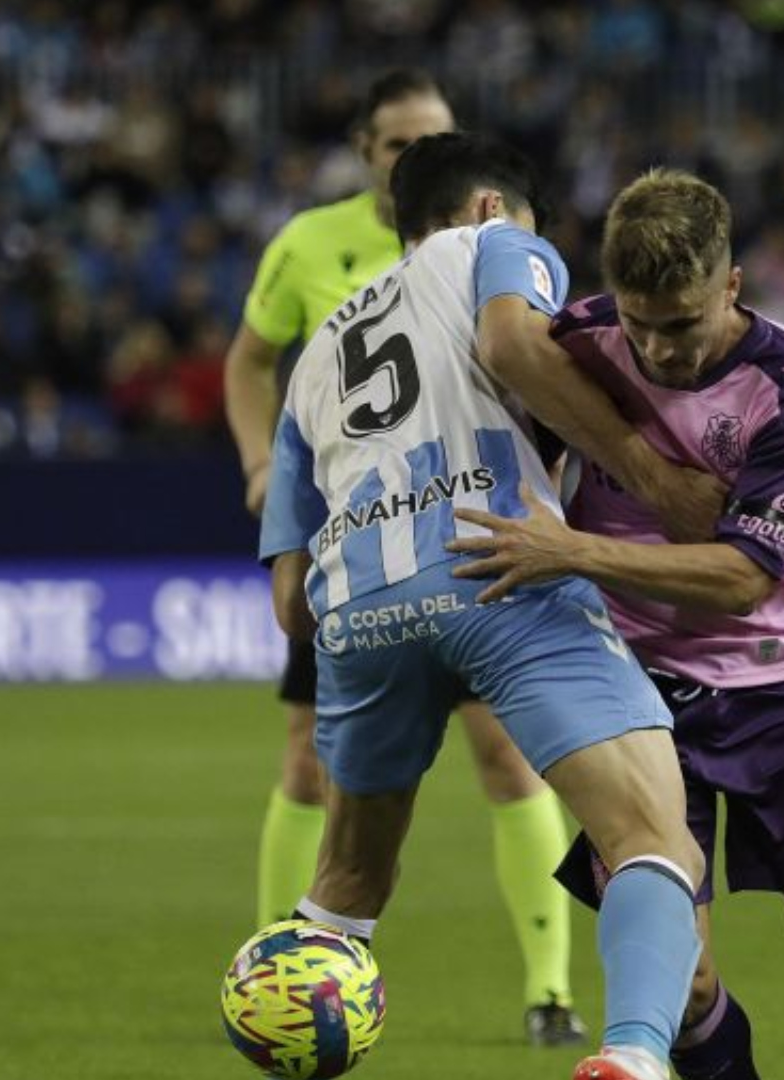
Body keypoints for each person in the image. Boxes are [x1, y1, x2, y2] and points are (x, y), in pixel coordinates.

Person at [259, 131, 718, 1080]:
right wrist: (650, 477)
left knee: (347, 888)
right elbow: (511, 342)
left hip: (357, 610)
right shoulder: (494, 244)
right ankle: (635, 1058)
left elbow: (290, 602)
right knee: (651, 835)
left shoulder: (314, 359)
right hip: (497, 565)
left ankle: (285, 1024)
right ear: (488, 207)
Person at [447, 170, 784, 1080]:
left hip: (775, 686)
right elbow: (502, 360)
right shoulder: (578, 344)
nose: (659, 351)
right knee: (682, 986)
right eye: (640, 324)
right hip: (631, 694)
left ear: (731, 285)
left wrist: (574, 551)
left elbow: (741, 579)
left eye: (683, 324)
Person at [223, 69, 585, 1045]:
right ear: (365, 152)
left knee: (506, 756)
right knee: (309, 761)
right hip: (353, 542)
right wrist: (263, 472)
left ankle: (550, 990)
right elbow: (249, 361)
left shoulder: (474, 245)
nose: (408, 155)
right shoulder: (310, 244)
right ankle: (283, 974)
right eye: (393, 143)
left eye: (429, 138)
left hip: (467, 529)